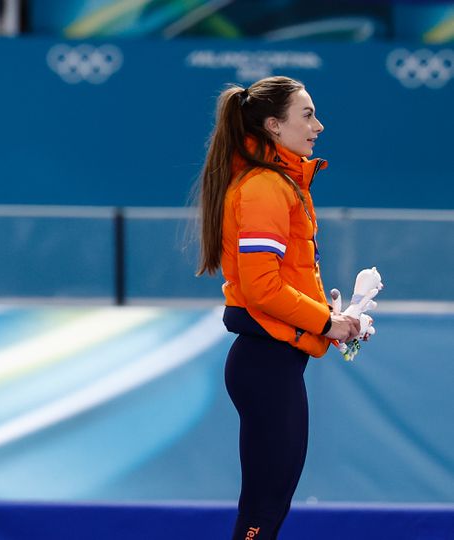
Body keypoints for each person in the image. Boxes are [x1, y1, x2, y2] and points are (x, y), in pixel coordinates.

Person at [195, 76, 361, 540]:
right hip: (264, 363)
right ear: (272, 125)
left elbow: (280, 281)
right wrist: (327, 323)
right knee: (264, 510)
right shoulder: (265, 186)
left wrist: (332, 316)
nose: (319, 126)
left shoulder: (277, 183)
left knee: (268, 505)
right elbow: (262, 288)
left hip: (271, 361)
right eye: (307, 115)